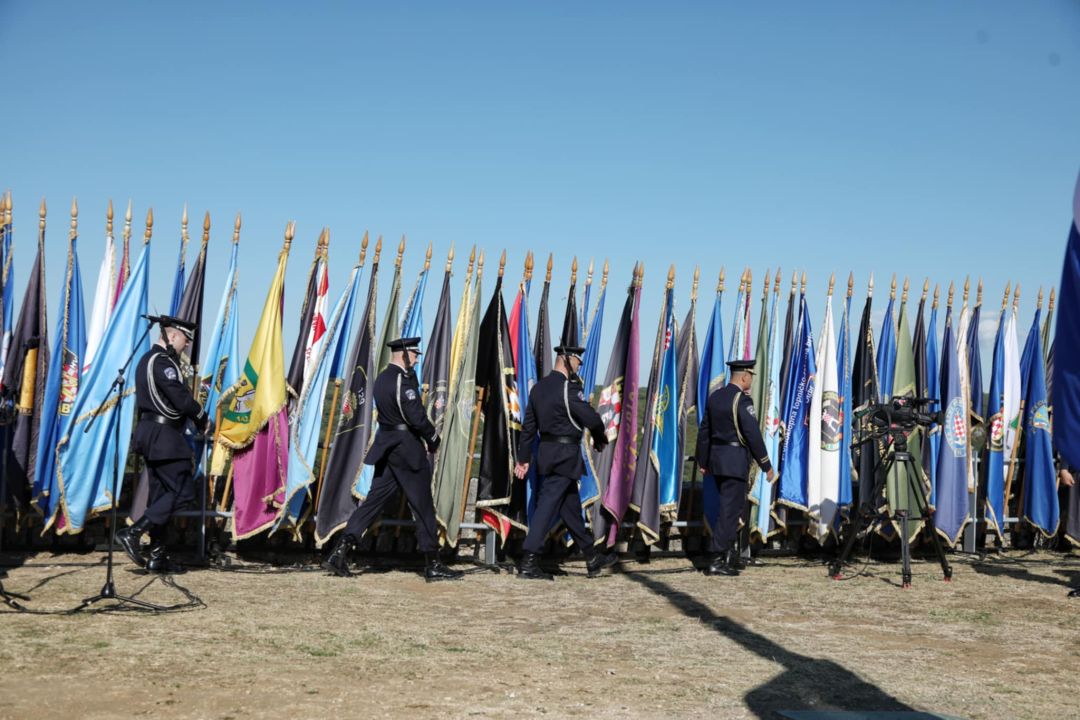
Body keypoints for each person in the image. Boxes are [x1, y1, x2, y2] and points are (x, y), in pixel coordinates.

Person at [323, 337, 463, 582]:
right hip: (406, 447)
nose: (418, 359)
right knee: (422, 505)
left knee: (373, 503)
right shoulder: (401, 379)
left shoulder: (382, 379)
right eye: (415, 354)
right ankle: (433, 564)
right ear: (405, 353)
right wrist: (433, 439)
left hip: (386, 445)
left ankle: (339, 552)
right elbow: (415, 415)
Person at [513, 345, 618, 580]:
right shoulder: (569, 388)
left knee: (570, 508)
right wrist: (600, 439)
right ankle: (529, 561)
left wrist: (523, 459)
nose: (579, 367)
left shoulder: (538, 389)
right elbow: (591, 417)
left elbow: (529, 429)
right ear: (567, 360)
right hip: (564, 456)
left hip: (548, 455)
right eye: (577, 362)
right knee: (546, 507)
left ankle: (592, 557)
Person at [115, 316, 210, 574]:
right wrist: (201, 417)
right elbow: (179, 398)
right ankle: (133, 532)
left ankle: (157, 556)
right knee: (182, 493)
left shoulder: (146, 360)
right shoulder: (162, 361)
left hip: (152, 434)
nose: (187, 345)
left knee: (161, 497)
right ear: (173, 336)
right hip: (165, 437)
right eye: (185, 339)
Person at [695, 358, 775, 577]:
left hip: (716, 460)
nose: (750, 380)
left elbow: (704, 432)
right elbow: (752, 435)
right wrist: (766, 463)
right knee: (729, 512)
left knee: (730, 509)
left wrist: (703, 461)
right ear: (744, 376)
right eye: (751, 376)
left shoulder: (716, 397)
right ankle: (715, 559)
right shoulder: (742, 401)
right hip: (733, 461)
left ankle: (729, 555)